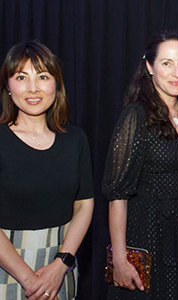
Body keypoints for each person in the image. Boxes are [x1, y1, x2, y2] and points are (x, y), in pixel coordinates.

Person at [102, 31, 178, 300]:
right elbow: (117, 195)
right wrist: (120, 259)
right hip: (146, 235)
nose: (177, 72)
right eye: (167, 63)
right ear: (149, 67)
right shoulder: (136, 116)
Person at [0, 41, 94, 300]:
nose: (33, 88)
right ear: (8, 86)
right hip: (6, 267)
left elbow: (84, 205)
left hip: (60, 267)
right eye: (21, 77)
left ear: (56, 84)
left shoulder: (75, 139)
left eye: (43, 77)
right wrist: (30, 279)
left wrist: (61, 263)